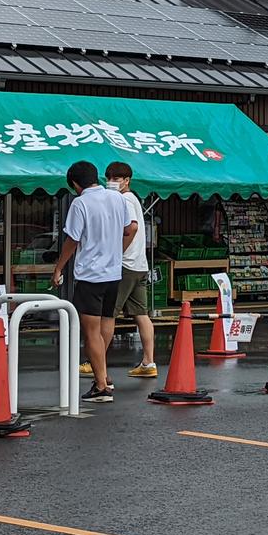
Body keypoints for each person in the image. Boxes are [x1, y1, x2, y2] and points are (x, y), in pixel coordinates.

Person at [51, 161, 135, 404]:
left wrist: (58, 268)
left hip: (90, 275)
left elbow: (72, 240)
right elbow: (129, 229)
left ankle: (101, 385)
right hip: (113, 273)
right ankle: (104, 375)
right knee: (106, 323)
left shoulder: (80, 203)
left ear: (76, 184)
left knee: (90, 333)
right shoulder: (117, 197)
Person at [105, 161, 156, 379]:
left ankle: (95, 360)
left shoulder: (123, 199)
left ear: (127, 180)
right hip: (140, 265)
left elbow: (131, 228)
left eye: (116, 179)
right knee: (141, 314)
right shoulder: (134, 198)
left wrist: (117, 253)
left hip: (125, 265)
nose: (112, 182)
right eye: (109, 178)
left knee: (108, 314)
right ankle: (148, 362)